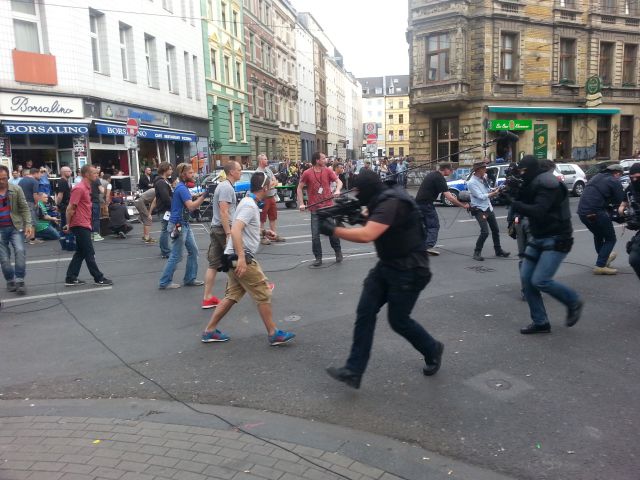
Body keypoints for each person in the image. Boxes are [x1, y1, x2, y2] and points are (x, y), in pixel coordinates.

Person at [320, 170, 442, 389]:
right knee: (365, 311)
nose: (357, 195)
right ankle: (353, 371)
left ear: (368, 189)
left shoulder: (392, 201)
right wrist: (357, 216)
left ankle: (432, 349)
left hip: (410, 269)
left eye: (359, 191)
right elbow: (375, 221)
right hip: (387, 266)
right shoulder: (381, 197)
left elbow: (368, 235)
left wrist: (333, 229)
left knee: (399, 321)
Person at [201, 172, 296, 346]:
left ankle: (209, 331)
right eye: (270, 185)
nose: (272, 188)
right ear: (264, 188)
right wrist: (242, 258)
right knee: (263, 292)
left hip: (232, 257)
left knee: (232, 296)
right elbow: (235, 230)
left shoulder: (248, 202)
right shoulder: (249, 205)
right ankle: (273, 333)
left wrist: (263, 232)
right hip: (240, 257)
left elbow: (243, 227)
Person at [509, 155, 583, 334]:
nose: (522, 174)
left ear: (531, 170)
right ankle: (540, 321)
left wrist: (514, 203)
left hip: (557, 237)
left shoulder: (549, 183)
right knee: (527, 280)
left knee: (540, 280)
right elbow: (524, 199)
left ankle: (573, 301)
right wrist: (512, 192)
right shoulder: (532, 182)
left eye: (523, 171)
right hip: (538, 236)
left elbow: (538, 211)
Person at [158, 163, 207, 289]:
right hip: (179, 224)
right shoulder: (182, 188)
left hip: (182, 223)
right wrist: (204, 196)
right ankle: (165, 282)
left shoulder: (181, 187)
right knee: (176, 255)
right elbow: (191, 206)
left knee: (193, 251)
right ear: (183, 174)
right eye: (190, 173)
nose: (193, 174)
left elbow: (186, 202)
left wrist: (197, 197)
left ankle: (190, 278)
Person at [64, 165, 112, 287]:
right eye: (94, 173)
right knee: (89, 252)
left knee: (80, 252)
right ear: (87, 174)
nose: (97, 175)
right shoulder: (79, 188)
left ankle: (70, 277)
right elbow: (70, 208)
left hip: (84, 222)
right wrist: (68, 224)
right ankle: (98, 278)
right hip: (79, 223)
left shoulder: (87, 187)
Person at [202, 161, 241, 309]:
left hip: (216, 227)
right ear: (231, 172)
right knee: (239, 258)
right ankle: (259, 285)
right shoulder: (226, 187)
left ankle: (207, 298)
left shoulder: (224, 186)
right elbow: (224, 212)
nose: (241, 171)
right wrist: (229, 233)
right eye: (239, 169)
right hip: (223, 228)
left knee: (213, 264)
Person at [297, 152, 343, 267]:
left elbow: (339, 182)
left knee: (333, 232)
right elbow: (299, 188)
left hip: (328, 207)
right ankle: (318, 258)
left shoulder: (327, 171)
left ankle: (338, 251)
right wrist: (301, 203)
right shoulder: (307, 173)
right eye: (323, 158)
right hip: (315, 209)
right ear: (317, 160)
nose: (326, 160)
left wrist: (337, 190)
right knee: (315, 235)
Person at [577, 164, 625, 275]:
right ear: (617, 173)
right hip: (596, 212)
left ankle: (604, 259)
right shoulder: (613, 181)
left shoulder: (596, 177)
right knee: (610, 238)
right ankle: (600, 265)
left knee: (598, 235)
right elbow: (620, 200)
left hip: (582, 213)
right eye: (620, 175)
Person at [415, 162, 469, 256]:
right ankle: (428, 246)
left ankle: (421, 245)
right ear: (446, 169)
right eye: (451, 170)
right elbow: (450, 197)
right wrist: (463, 205)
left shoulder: (432, 174)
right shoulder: (439, 178)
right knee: (433, 226)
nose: (452, 172)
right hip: (426, 205)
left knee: (424, 226)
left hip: (418, 204)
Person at [0, 165, 33, 295]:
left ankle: (20, 280)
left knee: (20, 251)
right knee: (4, 258)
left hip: (15, 226)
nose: (2, 181)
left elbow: (24, 208)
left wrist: (28, 224)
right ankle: (10, 280)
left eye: (4, 178)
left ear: (8, 177)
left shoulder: (16, 189)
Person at [467, 162, 510, 261]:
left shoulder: (483, 178)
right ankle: (477, 252)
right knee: (485, 232)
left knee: (495, 230)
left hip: (488, 207)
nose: (485, 170)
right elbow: (481, 196)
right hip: (479, 209)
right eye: (484, 168)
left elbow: (488, 190)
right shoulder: (472, 182)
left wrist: (495, 189)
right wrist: (493, 194)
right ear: (478, 170)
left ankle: (498, 250)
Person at [255, 154, 284, 245]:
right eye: (265, 159)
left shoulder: (268, 170)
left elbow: (276, 181)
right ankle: (262, 237)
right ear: (260, 161)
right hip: (263, 198)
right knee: (262, 219)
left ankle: (273, 235)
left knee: (273, 217)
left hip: (272, 197)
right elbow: (264, 186)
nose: (267, 160)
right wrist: (271, 184)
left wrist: (271, 184)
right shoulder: (258, 172)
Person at [618, 162, 640, 279]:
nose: (635, 180)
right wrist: (623, 211)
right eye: (632, 178)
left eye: (638, 177)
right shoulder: (630, 188)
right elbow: (623, 204)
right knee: (634, 258)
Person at [154, 162, 174, 258]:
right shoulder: (161, 182)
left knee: (167, 230)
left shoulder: (164, 181)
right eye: (170, 169)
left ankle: (166, 249)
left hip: (166, 209)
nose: (171, 171)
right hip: (165, 209)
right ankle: (165, 251)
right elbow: (166, 197)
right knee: (165, 230)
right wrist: (173, 206)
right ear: (165, 170)